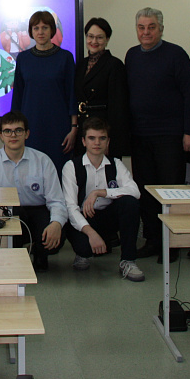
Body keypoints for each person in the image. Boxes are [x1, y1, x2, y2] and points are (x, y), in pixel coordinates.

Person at [124, 7, 190, 259]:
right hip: (140, 136)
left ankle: (173, 243)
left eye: (151, 27)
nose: (146, 32)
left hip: (170, 136)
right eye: (141, 27)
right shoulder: (132, 55)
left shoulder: (176, 55)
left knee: (170, 191)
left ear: (161, 29)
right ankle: (153, 240)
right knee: (146, 191)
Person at [0, 112, 69, 272]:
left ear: (27, 134)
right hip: (8, 213)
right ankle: (17, 252)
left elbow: (56, 201)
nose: (13, 135)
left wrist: (56, 224)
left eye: (18, 130)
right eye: (8, 131)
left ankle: (38, 253)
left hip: (38, 211)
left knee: (56, 236)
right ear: (1, 135)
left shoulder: (43, 161)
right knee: (10, 232)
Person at [60, 117, 144, 281]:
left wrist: (100, 192)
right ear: (84, 141)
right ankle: (83, 253)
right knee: (84, 248)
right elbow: (70, 208)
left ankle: (128, 261)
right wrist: (91, 234)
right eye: (92, 138)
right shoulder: (71, 167)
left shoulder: (116, 164)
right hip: (82, 220)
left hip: (106, 217)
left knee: (130, 203)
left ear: (108, 141)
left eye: (102, 138)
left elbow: (135, 191)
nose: (97, 143)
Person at [11, 10, 77, 172]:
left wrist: (74, 128)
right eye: (36, 28)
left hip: (59, 126)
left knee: (58, 171)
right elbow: (18, 96)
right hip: (31, 126)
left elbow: (72, 95)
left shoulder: (65, 57)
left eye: (45, 27)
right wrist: (15, 129)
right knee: (31, 172)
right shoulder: (23, 59)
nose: (40, 32)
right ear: (31, 32)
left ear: (52, 30)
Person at [74, 17, 130, 159]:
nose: (94, 41)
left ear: (107, 39)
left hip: (102, 133)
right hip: (83, 130)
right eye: (90, 36)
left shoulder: (115, 65)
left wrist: (110, 141)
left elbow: (118, 108)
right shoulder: (80, 65)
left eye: (99, 37)